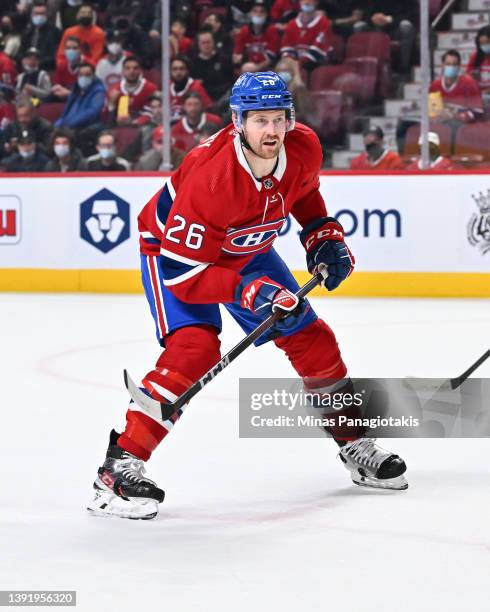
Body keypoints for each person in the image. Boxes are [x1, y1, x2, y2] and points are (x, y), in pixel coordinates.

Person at [87, 71, 408, 520]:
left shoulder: (303, 146)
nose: (272, 131)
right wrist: (249, 290)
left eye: (278, 118)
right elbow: (186, 276)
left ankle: (355, 446)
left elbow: (305, 190)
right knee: (194, 348)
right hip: (178, 257)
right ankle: (117, 469)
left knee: (312, 336)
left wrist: (321, 234)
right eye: (260, 120)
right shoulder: (211, 178)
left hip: (247, 246)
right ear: (238, 121)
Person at [430, 50, 483, 123]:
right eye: (448, 64)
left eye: (454, 64)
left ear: (459, 66)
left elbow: (478, 111)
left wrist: (455, 117)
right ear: (442, 65)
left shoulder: (470, 84)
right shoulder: (435, 86)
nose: (451, 67)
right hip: (442, 127)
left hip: (464, 128)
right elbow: (433, 112)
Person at [280, 0, 332, 69]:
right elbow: (286, 48)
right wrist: (289, 63)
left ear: (316, 2)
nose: (306, 2)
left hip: (316, 65)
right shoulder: (291, 24)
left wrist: (296, 64)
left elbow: (317, 53)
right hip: (294, 65)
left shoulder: (324, 23)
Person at [107, 56, 157, 126]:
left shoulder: (150, 88)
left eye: (135, 68)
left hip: (142, 126)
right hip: (119, 126)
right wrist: (111, 105)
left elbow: (152, 112)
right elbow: (105, 119)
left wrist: (136, 122)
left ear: (140, 70)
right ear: (123, 71)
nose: (131, 71)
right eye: (128, 68)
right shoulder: (114, 89)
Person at [55, 62, 105, 129]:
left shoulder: (98, 91)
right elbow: (65, 113)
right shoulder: (75, 90)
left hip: (85, 128)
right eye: (81, 75)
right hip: (67, 127)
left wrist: (68, 124)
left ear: (93, 76)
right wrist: (57, 125)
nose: (84, 78)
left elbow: (92, 112)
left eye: (87, 75)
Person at [233, 1, 280, 71]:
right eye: (255, 11)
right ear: (250, 14)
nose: (258, 14)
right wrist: (238, 60)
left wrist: (256, 68)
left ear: (267, 15)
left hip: (267, 68)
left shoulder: (272, 30)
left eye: (262, 12)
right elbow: (237, 54)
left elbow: (271, 57)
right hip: (247, 66)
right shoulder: (244, 30)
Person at [191, 29, 234, 102]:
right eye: (203, 43)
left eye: (208, 42)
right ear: (198, 44)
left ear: (213, 42)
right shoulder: (193, 63)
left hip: (225, 97)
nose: (206, 45)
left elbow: (231, 79)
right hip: (203, 99)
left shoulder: (224, 59)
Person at [20, 0, 62, 71]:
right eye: (36, 13)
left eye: (41, 14)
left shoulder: (55, 32)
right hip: (26, 67)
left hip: (45, 68)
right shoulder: (27, 31)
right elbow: (21, 51)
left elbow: (55, 56)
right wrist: (23, 59)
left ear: (47, 14)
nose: (39, 16)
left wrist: (38, 62)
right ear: (31, 15)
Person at [170, 55, 212, 121]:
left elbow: (207, 109)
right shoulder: (168, 87)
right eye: (175, 69)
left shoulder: (196, 87)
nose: (178, 72)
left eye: (182, 69)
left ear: (187, 70)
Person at [466, 25, 490, 111]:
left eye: (487, 42)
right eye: (482, 44)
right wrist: (472, 76)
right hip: (479, 98)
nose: (484, 46)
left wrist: (487, 91)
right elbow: (468, 76)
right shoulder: (475, 56)